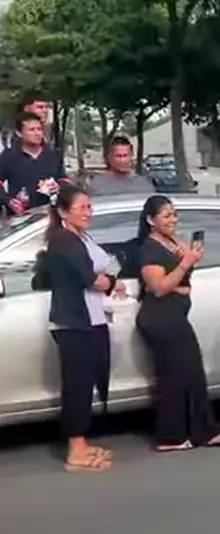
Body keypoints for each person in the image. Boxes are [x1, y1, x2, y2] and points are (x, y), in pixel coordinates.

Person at [135, 195, 220, 452]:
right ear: (151, 220)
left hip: (175, 314)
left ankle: (204, 430)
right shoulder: (149, 249)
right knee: (174, 376)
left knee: (191, 373)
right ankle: (170, 436)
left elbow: (180, 275)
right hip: (161, 317)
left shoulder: (171, 242)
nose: (172, 220)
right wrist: (185, 264)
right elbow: (159, 288)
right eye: (166, 216)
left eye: (174, 214)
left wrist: (190, 257)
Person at [32, 184, 125, 472]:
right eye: (81, 208)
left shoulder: (79, 236)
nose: (88, 212)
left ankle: (82, 442)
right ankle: (75, 450)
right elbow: (90, 279)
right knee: (77, 385)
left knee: (87, 383)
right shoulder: (63, 240)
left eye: (89, 207)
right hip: (74, 321)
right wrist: (112, 283)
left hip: (92, 318)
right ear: (62, 212)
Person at [0, 112, 71, 215]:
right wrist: (8, 201)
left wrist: (59, 185)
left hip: (52, 214)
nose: (37, 133)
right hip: (21, 217)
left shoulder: (53, 154)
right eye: (32, 130)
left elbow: (63, 178)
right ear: (19, 133)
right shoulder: (9, 156)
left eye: (39, 129)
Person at [88, 136, 156, 195]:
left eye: (125, 155)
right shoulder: (96, 185)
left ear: (131, 156)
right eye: (119, 156)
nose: (122, 160)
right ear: (110, 157)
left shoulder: (144, 185)